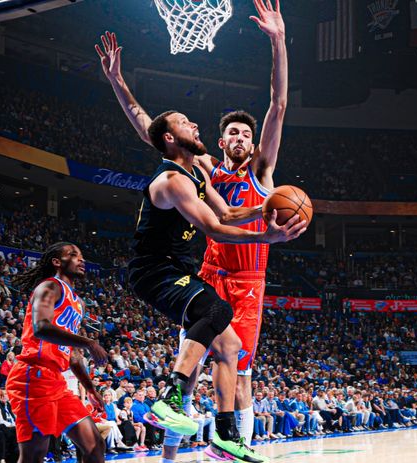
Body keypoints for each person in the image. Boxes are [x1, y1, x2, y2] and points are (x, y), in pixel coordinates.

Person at [96, 0, 292, 458]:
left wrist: (279, 42)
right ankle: (171, 450)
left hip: (247, 280)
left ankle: (229, 442)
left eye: (247, 134)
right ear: (219, 143)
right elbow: (149, 128)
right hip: (203, 270)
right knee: (195, 359)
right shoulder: (198, 169)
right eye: (234, 134)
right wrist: (119, 84)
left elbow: (279, 104)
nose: (241, 138)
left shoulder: (261, 174)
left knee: (237, 365)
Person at [5, 242, 108, 463]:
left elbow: (71, 354)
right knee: (34, 456)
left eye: (81, 255)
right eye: (73, 255)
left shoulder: (78, 304)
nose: (81, 259)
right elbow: (41, 327)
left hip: (56, 382)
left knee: (95, 445)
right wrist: (89, 342)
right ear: (57, 262)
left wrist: (90, 388)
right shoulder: (50, 287)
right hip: (32, 377)